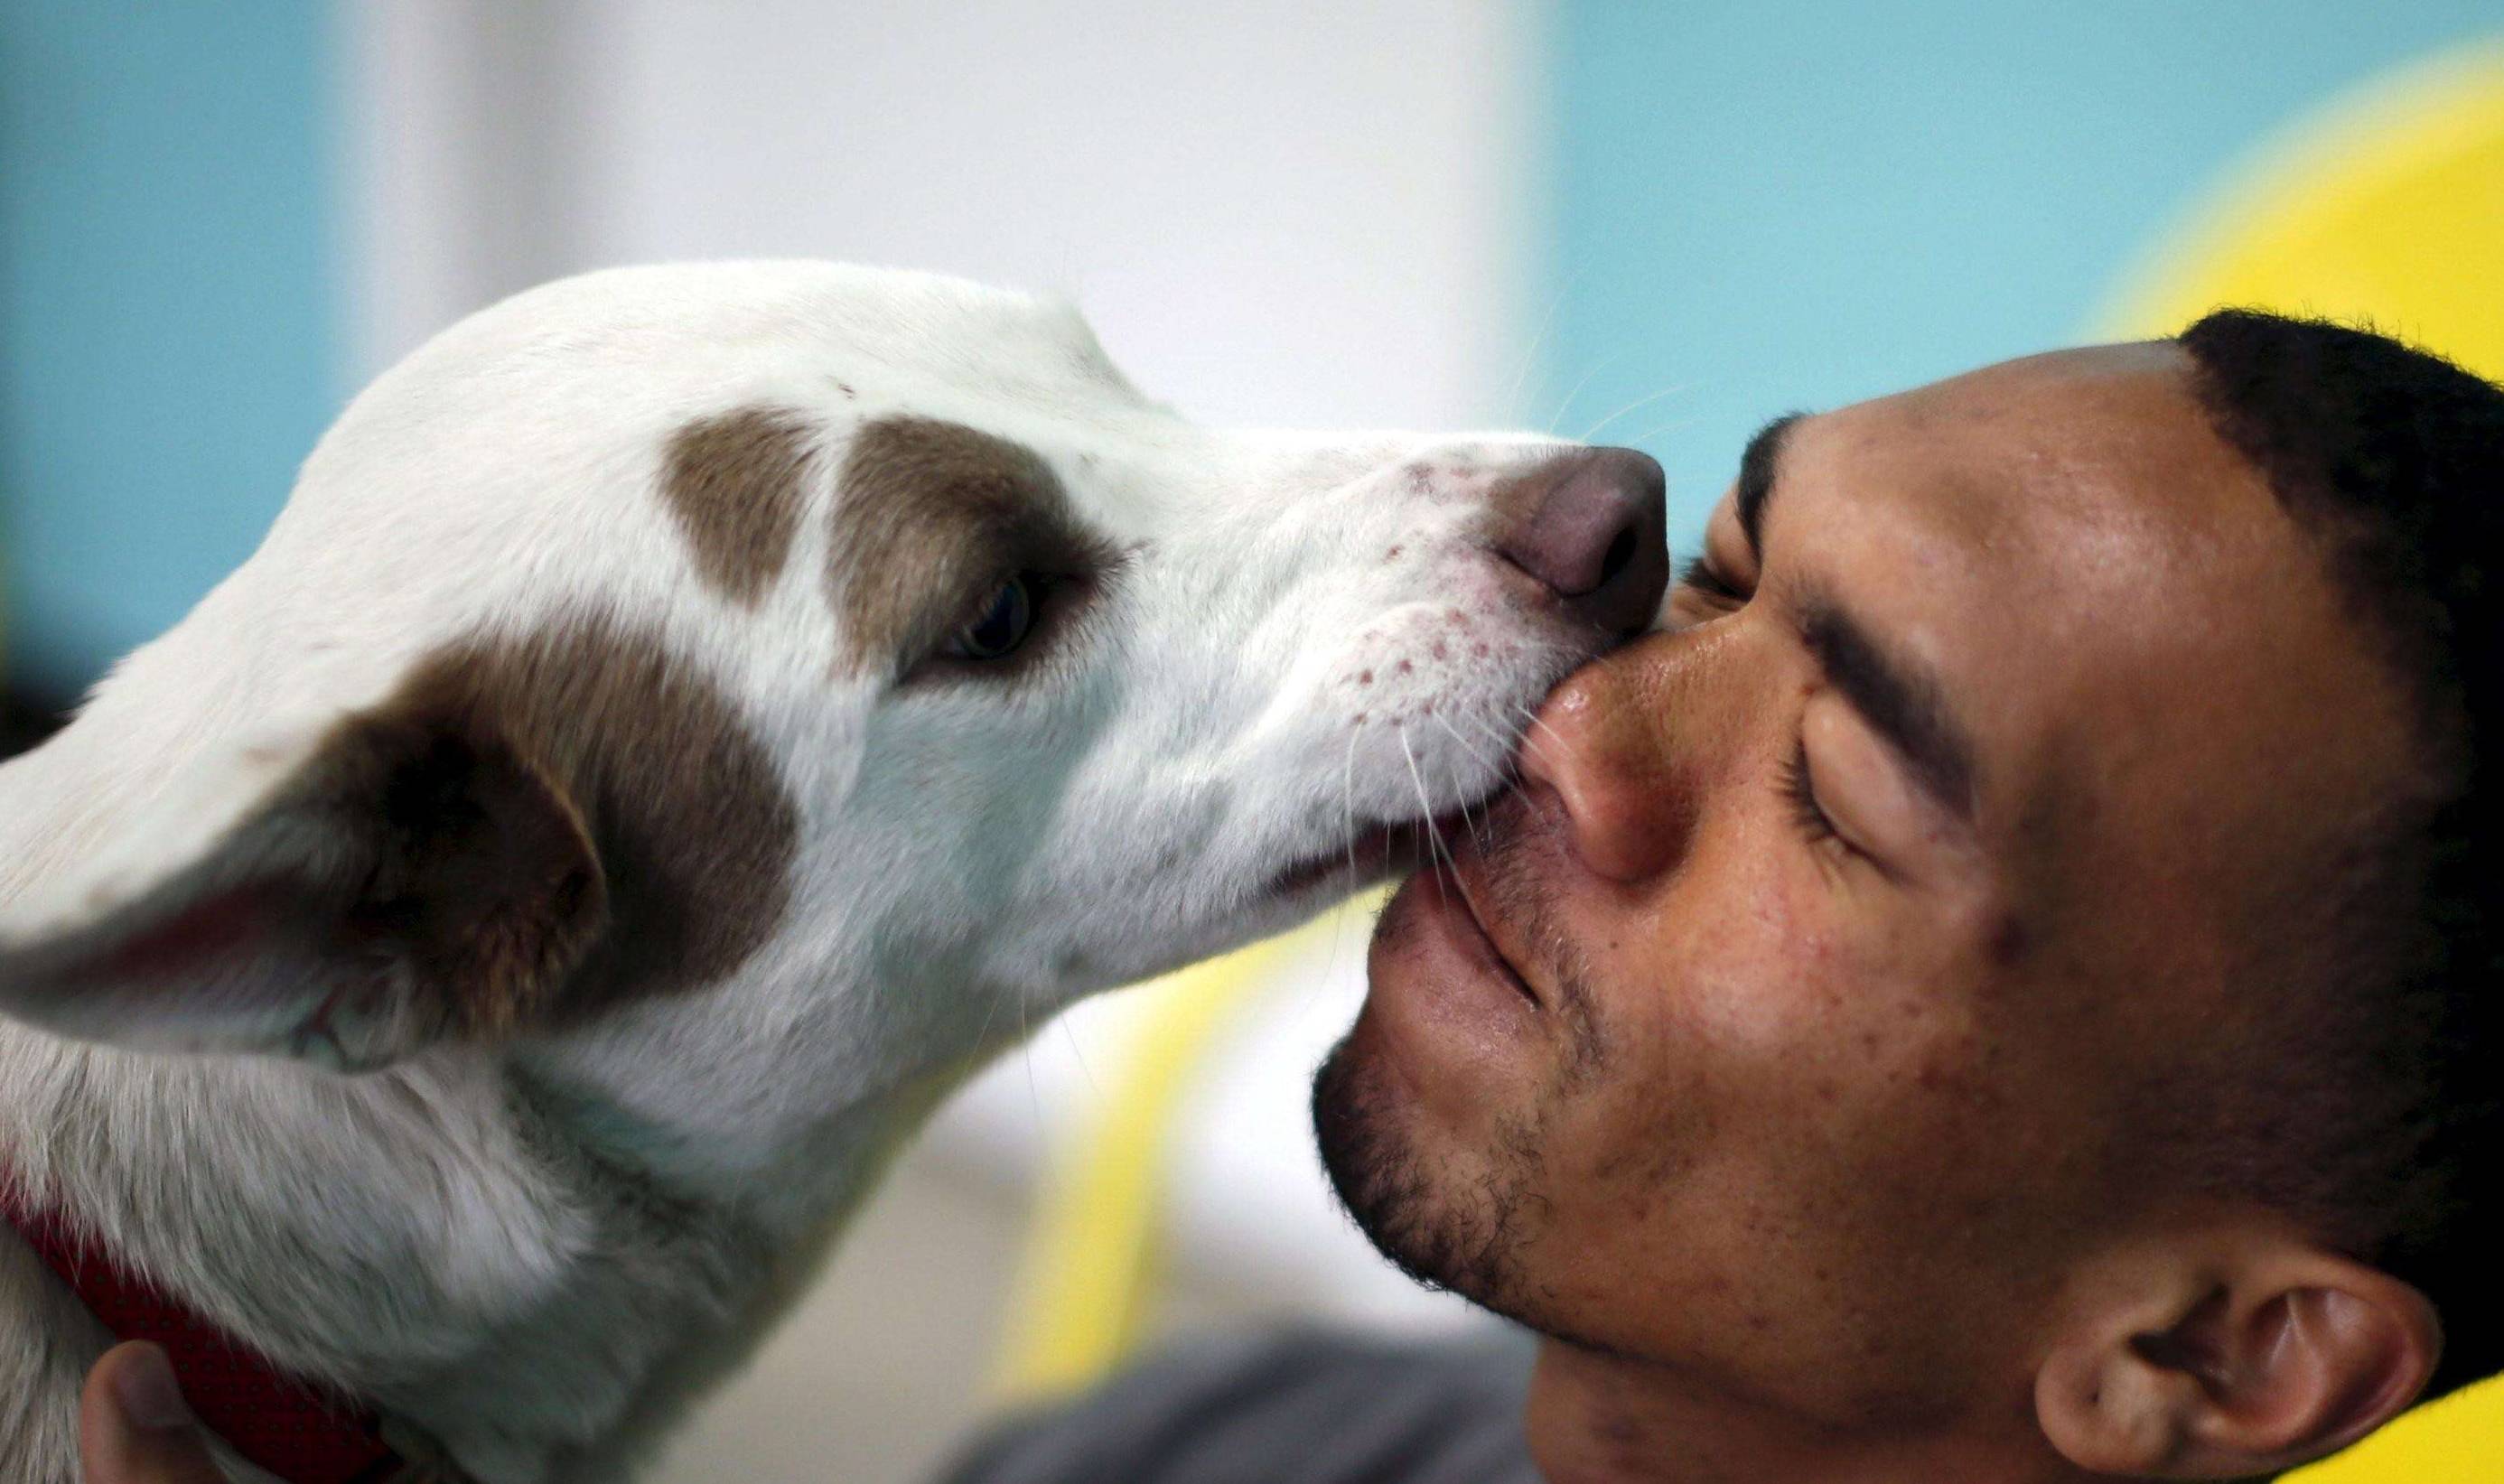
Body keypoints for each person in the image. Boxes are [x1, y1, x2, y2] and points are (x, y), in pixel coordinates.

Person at [81, 312, 2504, 1482]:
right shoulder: (1231, 1438)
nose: (1575, 710)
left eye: (1846, 796)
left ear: (2207, 1356)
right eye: (1727, 569)